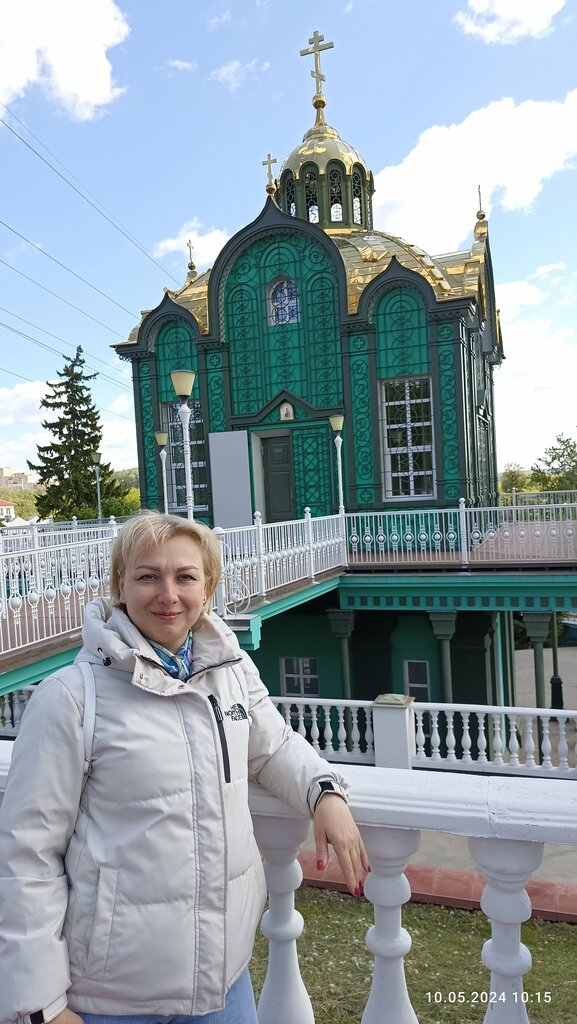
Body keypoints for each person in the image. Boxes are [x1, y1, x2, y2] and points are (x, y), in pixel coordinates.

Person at [0, 511, 369, 1024]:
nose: (167, 595)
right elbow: (25, 853)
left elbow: (273, 746)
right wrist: (40, 1004)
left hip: (223, 984)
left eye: (185, 577)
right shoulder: (71, 699)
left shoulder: (232, 672)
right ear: (119, 586)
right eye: (148, 576)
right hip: (112, 999)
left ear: (208, 586)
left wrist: (325, 792)